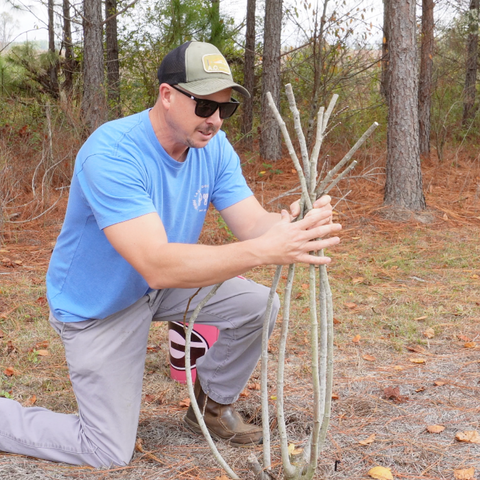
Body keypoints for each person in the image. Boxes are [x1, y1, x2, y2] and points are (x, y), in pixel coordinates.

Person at [0, 41, 341, 468]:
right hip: (101, 307)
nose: (215, 120)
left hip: (161, 287)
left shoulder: (211, 148)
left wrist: (294, 226)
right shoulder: (113, 154)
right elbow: (156, 263)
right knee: (105, 451)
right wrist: (264, 250)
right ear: (166, 95)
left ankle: (210, 411)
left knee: (258, 306)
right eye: (203, 106)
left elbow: (253, 224)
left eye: (225, 108)